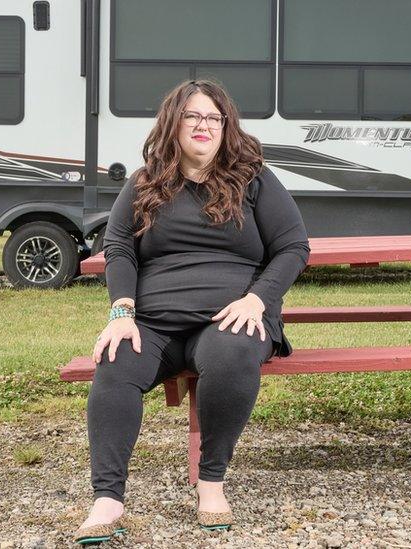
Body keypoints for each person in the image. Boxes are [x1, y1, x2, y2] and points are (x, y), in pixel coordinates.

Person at [73, 79, 310, 545]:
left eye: (214, 118)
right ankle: (107, 498)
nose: (204, 125)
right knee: (115, 361)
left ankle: (211, 482)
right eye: (193, 116)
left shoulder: (254, 179)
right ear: (173, 124)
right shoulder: (145, 183)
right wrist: (122, 310)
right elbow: (119, 246)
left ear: (226, 127)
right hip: (155, 323)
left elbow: (293, 247)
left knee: (231, 355)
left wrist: (257, 299)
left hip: (230, 318)